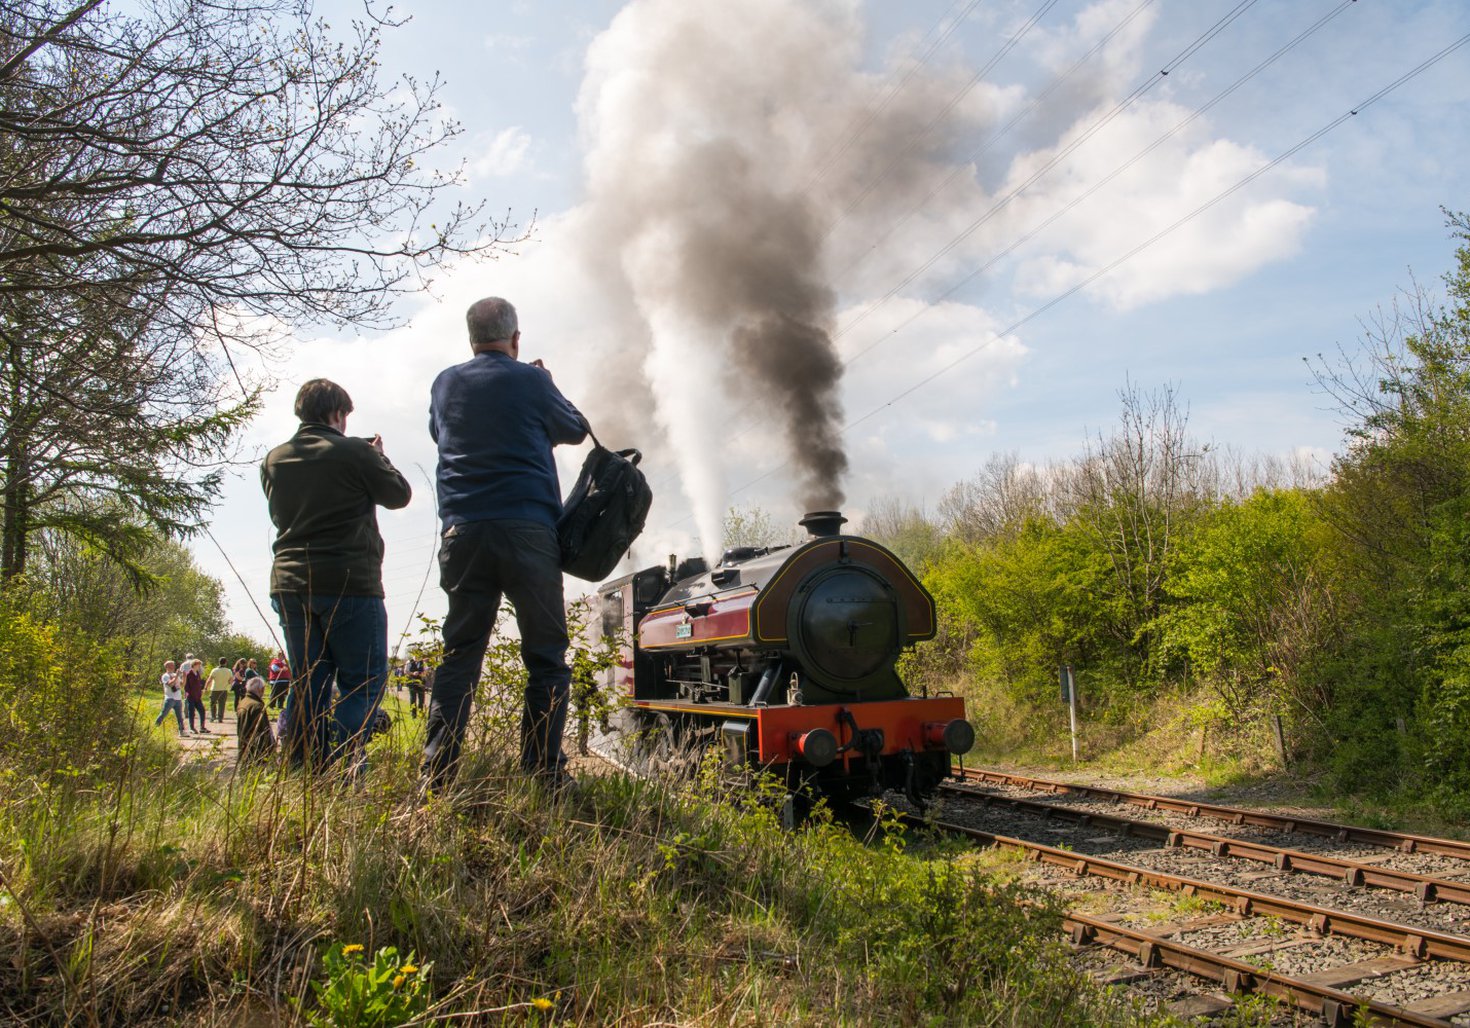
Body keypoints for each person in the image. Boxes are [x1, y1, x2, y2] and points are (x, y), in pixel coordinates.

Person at [421, 297, 587, 791]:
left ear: (470, 339)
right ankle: (544, 772)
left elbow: (439, 432)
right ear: (516, 338)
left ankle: (437, 776)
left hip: (463, 531)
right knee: (546, 656)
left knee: (459, 655)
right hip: (528, 531)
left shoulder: (445, 382)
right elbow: (576, 429)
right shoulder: (532, 380)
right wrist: (547, 383)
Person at [261, 378, 411, 770]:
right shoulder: (356, 453)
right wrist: (378, 457)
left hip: (290, 584)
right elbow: (399, 495)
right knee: (363, 682)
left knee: (307, 682)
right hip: (349, 582)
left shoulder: (274, 458)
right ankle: (344, 766)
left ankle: (300, 770)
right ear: (337, 414)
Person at [236, 676, 276, 767]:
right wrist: (270, 749)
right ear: (261, 689)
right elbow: (264, 731)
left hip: (244, 745)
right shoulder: (257, 706)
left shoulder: (243, 702)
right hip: (255, 750)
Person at [154, 660, 186, 735]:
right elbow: (170, 684)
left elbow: (182, 685)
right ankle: (155, 727)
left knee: (180, 717)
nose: (173, 667)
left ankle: (181, 731)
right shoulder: (165, 676)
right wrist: (177, 676)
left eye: (173, 665)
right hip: (170, 698)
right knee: (163, 714)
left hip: (178, 699)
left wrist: (184, 676)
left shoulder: (175, 674)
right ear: (167, 667)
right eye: (171, 665)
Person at [183, 658, 209, 734]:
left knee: (202, 711)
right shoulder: (189, 674)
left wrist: (201, 692)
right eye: (198, 665)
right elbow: (186, 686)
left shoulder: (197, 674)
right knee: (192, 712)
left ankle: (202, 727)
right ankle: (192, 728)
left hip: (198, 697)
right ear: (194, 665)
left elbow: (198, 685)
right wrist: (189, 694)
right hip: (191, 697)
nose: (199, 667)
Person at [208, 658, 233, 723]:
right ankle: (220, 718)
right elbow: (231, 681)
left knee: (212, 703)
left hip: (215, 689)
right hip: (224, 689)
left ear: (219, 662)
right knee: (222, 704)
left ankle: (213, 716)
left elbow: (209, 679)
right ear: (225, 663)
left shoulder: (214, 670)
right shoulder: (229, 671)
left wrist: (205, 687)